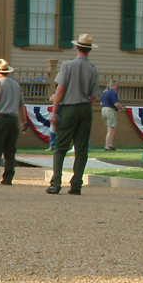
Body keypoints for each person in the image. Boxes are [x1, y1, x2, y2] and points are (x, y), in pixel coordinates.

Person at [47, 33, 99, 195]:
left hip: (69, 107)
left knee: (60, 147)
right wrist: (86, 108)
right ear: (89, 50)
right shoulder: (92, 69)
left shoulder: (68, 65)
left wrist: (54, 112)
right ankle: (76, 184)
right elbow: (94, 96)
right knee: (81, 148)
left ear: (77, 47)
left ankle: (56, 183)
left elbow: (60, 89)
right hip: (85, 107)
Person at [100, 80, 120, 151]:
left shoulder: (104, 91)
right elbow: (116, 103)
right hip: (110, 110)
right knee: (111, 129)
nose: (117, 87)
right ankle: (107, 146)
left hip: (104, 109)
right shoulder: (112, 92)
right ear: (113, 85)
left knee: (111, 128)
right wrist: (120, 107)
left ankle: (111, 144)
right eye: (117, 85)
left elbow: (101, 102)